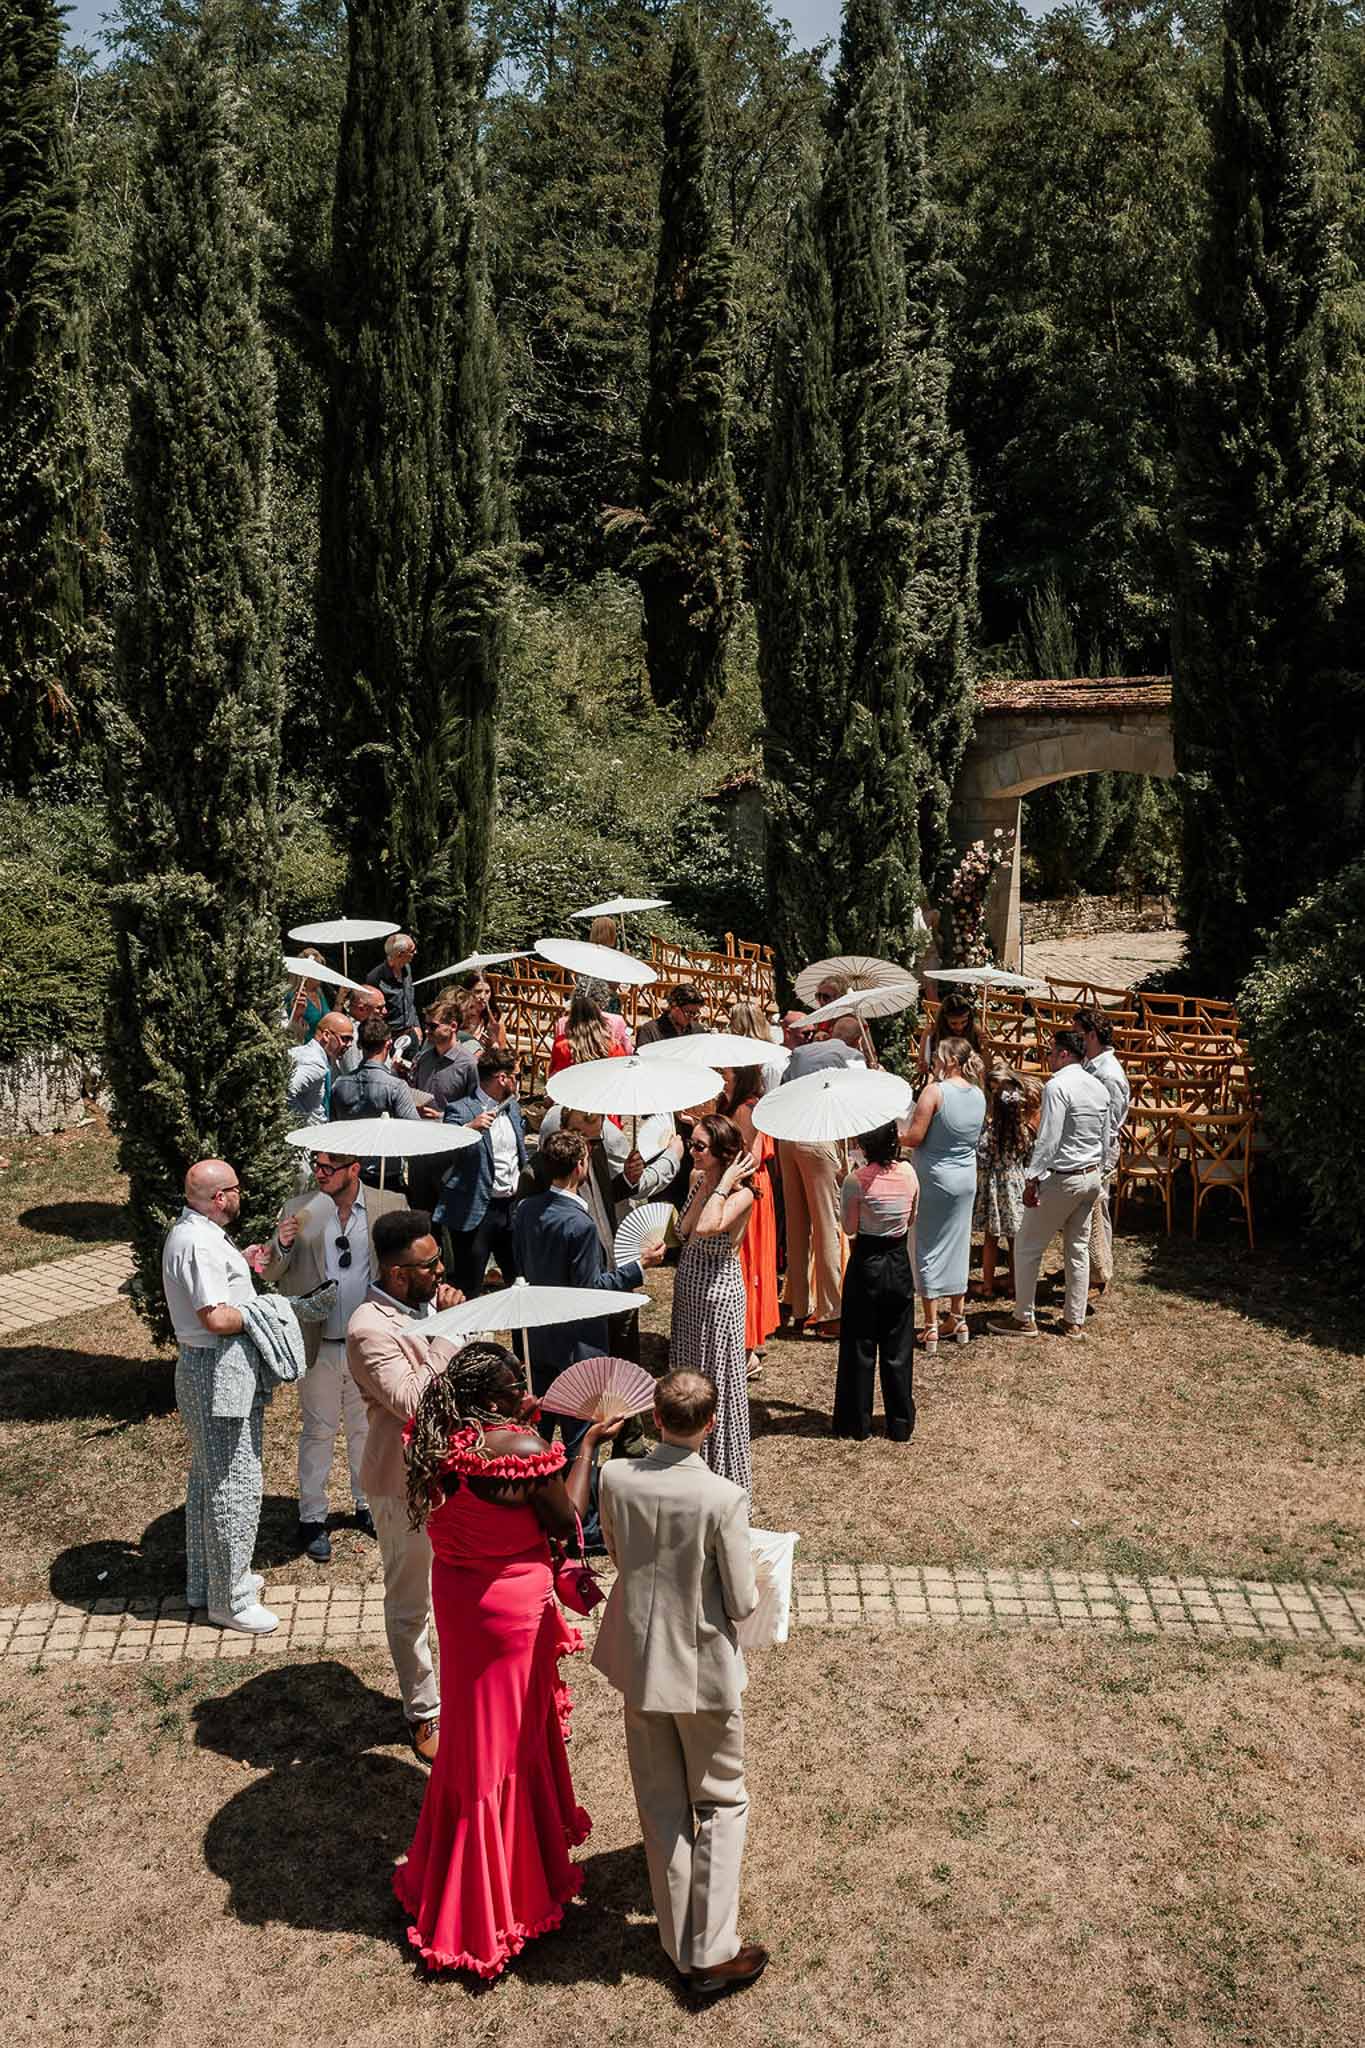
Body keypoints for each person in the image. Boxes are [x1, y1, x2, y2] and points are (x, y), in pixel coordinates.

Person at [397, 1343, 620, 1977]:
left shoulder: (432, 1434)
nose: (524, 1383)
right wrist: (585, 1447)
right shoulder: (519, 1452)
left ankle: (463, 1876)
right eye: (514, 1380)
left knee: (473, 1735)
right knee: (506, 1743)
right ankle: (497, 1904)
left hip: (460, 1596)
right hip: (510, 1608)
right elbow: (567, 1517)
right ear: (492, 1396)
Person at [593, 1369, 766, 2001]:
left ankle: (676, 1943)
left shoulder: (615, 1478)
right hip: (702, 1667)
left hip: (639, 1662)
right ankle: (711, 1953)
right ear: (712, 1423)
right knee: (720, 1800)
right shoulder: (725, 1498)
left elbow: (615, 1552)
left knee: (662, 1804)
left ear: (655, 1420)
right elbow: (744, 1601)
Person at [346, 1210, 463, 1760]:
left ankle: (460, 1690)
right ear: (398, 1274)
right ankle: (423, 1710)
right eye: (431, 1263)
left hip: (457, 1473)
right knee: (411, 1599)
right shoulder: (368, 1329)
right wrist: (447, 1333)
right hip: (402, 1482)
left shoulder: (427, 1307)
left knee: (460, 1590)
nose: (441, 1269)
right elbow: (414, 1400)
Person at [511, 1130, 665, 1543]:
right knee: (583, 1441)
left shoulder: (524, 1210)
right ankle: (586, 1526)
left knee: (537, 1436)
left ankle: (532, 1512)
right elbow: (589, 1292)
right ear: (581, 1167)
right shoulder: (578, 1223)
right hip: (577, 1345)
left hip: (536, 1336)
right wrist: (637, 1267)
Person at [263, 1151, 405, 1562]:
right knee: (318, 1432)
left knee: (367, 1430)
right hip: (319, 1344)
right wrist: (282, 1243)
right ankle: (312, 1517)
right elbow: (271, 1271)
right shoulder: (299, 1208)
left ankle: (367, 1506)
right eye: (317, 1166)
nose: (319, 1174)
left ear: (354, 1170)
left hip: (370, 1346)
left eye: (329, 1168)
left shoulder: (389, 1205)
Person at [162, 1159, 276, 1633]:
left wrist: (243, 1269)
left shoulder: (198, 1234)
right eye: (235, 1188)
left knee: (210, 1478)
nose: (240, 1194)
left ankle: (206, 1582)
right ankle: (229, 1600)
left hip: (210, 1367)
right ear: (219, 1197)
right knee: (235, 1482)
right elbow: (215, 1317)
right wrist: (269, 1312)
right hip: (215, 1369)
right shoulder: (197, 1244)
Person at [990, 1029, 1112, 1342]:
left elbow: (1048, 1137)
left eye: (1051, 1052)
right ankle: (1074, 1319)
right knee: (1077, 1248)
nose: (1048, 1057)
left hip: (1064, 1175)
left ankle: (1023, 1317)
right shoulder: (1098, 1087)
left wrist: (1033, 1178)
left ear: (1063, 1054)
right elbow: (1106, 1135)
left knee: (1028, 1246)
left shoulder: (1057, 1086)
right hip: (1090, 1175)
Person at [671, 1114, 756, 1499]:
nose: (692, 1151)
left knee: (715, 1381)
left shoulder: (743, 1194)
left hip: (718, 1294)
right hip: (689, 1286)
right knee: (687, 1377)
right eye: (691, 1144)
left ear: (723, 1152)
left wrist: (721, 1185)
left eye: (700, 1146)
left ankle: (721, 1474)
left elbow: (708, 1227)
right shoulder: (697, 1180)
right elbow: (686, 1230)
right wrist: (707, 1183)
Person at [832, 1121, 919, 1441]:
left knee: (859, 1344)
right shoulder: (909, 1174)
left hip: (867, 1261)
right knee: (899, 1344)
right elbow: (911, 1217)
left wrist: (844, 1184)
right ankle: (900, 1422)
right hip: (897, 1260)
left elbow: (849, 1227)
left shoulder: (855, 1181)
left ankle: (856, 1422)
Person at [777, 1018, 864, 1337]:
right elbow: (858, 1102)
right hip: (819, 1137)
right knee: (827, 1226)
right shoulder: (851, 1057)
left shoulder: (803, 1053)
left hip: (788, 1135)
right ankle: (831, 1311)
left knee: (797, 1226)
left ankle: (800, 1307)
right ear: (855, 1041)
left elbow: (782, 1089)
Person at [904, 1037, 987, 1353]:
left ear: (950, 1059)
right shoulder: (979, 1095)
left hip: (935, 1177)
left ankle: (930, 1324)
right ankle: (957, 1315)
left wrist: (891, 1133)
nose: (933, 1059)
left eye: (938, 1055)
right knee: (958, 1244)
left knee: (928, 1244)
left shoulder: (934, 1092)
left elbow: (914, 1137)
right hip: (966, 1177)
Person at [432, 1050, 527, 1297]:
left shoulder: (513, 1108)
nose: (519, 1081)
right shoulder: (460, 1110)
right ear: (502, 1078)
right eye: (516, 1076)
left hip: (511, 1208)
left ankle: (522, 1335)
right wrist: (469, 1129)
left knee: (520, 1283)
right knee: (469, 1285)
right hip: (477, 1211)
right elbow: (445, 1149)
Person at [720, 1067, 779, 1378]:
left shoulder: (748, 1108)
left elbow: (752, 1157)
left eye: (726, 1071)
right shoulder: (729, 1104)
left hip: (749, 1188)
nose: (721, 1074)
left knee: (748, 1264)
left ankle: (748, 1350)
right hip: (738, 1186)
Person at [331, 1018, 427, 1189]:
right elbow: (415, 1132)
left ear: (359, 1044)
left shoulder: (339, 1084)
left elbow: (334, 1127)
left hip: (349, 1172)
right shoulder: (396, 1087)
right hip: (384, 1175)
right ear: (388, 1044)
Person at [971, 1067, 1038, 1302]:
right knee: (1015, 1239)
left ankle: (987, 1284)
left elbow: (983, 1155)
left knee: (991, 1238)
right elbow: (1030, 1156)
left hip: (994, 1185)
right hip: (1016, 1185)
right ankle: (1015, 1284)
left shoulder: (990, 1131)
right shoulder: (1024, 1132)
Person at [1076, 1006, 1130, 1298]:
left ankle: (1099, 1275)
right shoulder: (1090, 1065)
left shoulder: (1108, 1074)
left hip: (1100, 1151)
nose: (1076, 1041)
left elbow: (1111, 1122)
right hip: (1089, 1148)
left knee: (1099, 1210)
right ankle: (1085, 1265)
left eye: (1079, 1035)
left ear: (1093, 1035)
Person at [285, 1010, 354, 1126]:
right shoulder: (315, 1065)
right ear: (326, 1035)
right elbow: (286, 1091)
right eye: (345, 1038)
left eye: (351, 1039)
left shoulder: (308, 1053)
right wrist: (299, 1122)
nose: (349, 1044)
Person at [410, 1000, 478, 1110]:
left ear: (453, 1026)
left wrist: (441, 1117)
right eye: (426, 1025)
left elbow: (475, 1107)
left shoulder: (469, 1065)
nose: (427, 1031)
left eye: (433, 1026)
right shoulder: (423, 1058)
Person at [548, 989, 629, 1075]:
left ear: (571, 1019)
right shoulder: (614, 1047)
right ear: (599, 1018)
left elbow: (553, 1073)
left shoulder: (561, 1045)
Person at [917, 990, 986, 1081]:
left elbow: (986, 1069)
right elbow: (921, 1062)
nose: (959, 1027)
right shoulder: (932, 1031)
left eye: (964, 1022)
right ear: (944, 1020)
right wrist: (922, 1066)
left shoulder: (974, 1030)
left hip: (968, 1079)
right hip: (939, 1079)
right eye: (953, 1023)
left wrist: (985, 1049)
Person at [367, 932, 421, 1045]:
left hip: (411, 1034)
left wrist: (416, 1025)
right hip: (390, 1038)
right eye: (412, 951)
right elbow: (372, 1013)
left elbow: (410, 1002)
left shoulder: (407, 968)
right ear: (400, 954)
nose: (415, 953)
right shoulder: (375, 978)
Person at [337, 984, 387, 1074]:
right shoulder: (351, 1035)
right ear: (361, 1009)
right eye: (379, 1008)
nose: (385, 1012)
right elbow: (354, 1073)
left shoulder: (368, 1028)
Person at [636, 983, 704, 1047]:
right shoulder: (650, 1031)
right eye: (689, 1013)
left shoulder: (698, 1031)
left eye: (695, 1013)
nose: (692, 1018)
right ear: (674, 1007)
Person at [455, 970, 507, 1053]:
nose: (483, 997)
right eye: (478, 991)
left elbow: (501, 1050)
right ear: (466, 992)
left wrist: (493, 1044)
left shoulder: (494, 1018)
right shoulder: (458, 1015)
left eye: (487, 992)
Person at [287, 947, 328, 1043]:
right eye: (317, 970)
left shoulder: (320, 994)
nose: (321, 975)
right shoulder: (293, 996)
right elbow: (289, 1026)